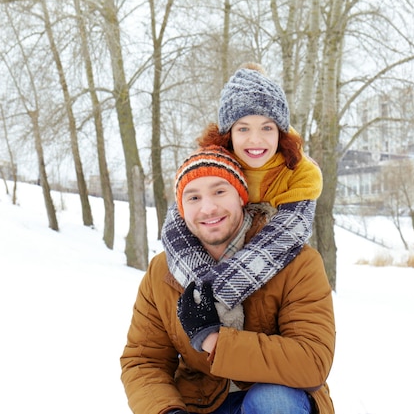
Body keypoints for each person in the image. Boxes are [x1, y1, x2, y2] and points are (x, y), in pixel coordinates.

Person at [120, 145, 335, 414]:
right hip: (201, 404)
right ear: (181, 208)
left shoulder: (296, 260)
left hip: (275, 397)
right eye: (193, 197)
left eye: (219, 191)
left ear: (241, 196)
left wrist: (214, 341)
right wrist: (167, 411)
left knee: (272, 400)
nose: (208, 208)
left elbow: (312, 360)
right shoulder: (163, 270)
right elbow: (144, 362)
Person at [162, 63, 323, 317]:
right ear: (229, 133)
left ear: (280, 132)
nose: (255, 140)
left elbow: (284, 237)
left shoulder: (299, 172)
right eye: (244, 128)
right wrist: (200, 290)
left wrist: (218, 293)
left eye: (267, 127)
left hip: (269, 269)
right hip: (219, 250)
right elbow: (179, 218)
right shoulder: (216, 161)